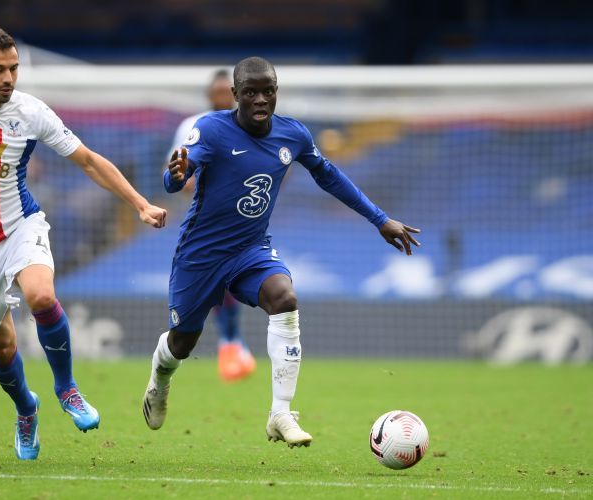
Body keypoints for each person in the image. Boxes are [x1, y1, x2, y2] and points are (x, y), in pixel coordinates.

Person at [0, 27, 167, 460]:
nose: (8, 77)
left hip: (20, 224)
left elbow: (89, 161)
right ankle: (26, 409)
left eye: (14, 68)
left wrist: (139, 203)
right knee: (0, 347)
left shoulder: (32, 112)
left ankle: (67, 389)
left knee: (41, 295)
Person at [142, 57, 420, 447]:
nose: (260, 99)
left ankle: (281, 413)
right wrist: (175, 175)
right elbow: (176, 181)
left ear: (276, 92)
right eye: (250, 92)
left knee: (284, 297)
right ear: (235, 95)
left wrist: (380, 219)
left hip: (251, 248)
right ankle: (159, 381)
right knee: (182, 343)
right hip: (202, 254)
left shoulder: (293, 135)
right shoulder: (210, 129)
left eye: (267, 91)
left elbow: (330, 177)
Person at [167, 69, 256, 382]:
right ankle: (228, 343)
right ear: (209, 95)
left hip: (243, 221)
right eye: (216, 92)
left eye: (225, 92)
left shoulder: (251, 125)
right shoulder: (193, 126)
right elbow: (179, 173)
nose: (221, 97)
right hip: (205, 221)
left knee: (236, 279)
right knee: (212, 286)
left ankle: (231, 344)